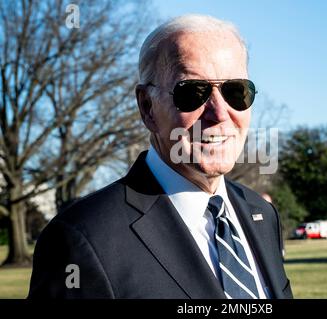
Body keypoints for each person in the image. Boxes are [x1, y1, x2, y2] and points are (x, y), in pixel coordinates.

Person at [28, 14, 293, 299]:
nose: (219, 114)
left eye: (235, 91)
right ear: (147, 107)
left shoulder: (262, 215)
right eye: (193, 92)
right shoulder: (80, 239)